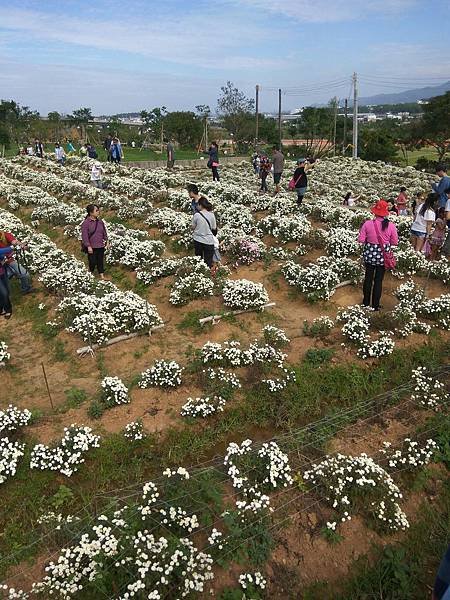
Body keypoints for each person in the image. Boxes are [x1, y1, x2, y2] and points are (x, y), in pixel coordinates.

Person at [358, 199, 399, 311]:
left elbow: (361, 240)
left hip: (370, 255)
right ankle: (375, 305)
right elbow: (395, 242)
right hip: (383, 257)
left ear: (375, 212)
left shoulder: (367, 223)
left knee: (368, 279)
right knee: (378, 280)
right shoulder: (391, 225)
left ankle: (365, 303)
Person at [81, 205, 108, 279]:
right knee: (92, 262)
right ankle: (90, 272)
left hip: (100, 245)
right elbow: (85, 236)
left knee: (100, 261)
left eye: (98, 210)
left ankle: (102, 275)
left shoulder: (100, 222)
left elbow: (104, 232)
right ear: (91, 213)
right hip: (91, 246)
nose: (98, 212)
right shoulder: (86, 223)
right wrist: (88, 246)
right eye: (96, 210)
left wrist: (107, 240)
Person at [191, 197, 217, 268]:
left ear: (200, 205)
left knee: (198, 259)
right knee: (208, 261)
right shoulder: (212, 215)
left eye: (198, 205)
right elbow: (214, 228)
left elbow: (192, 227)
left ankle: (199, 273)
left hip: (198, 240)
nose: (197, 206)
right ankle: (207, 275)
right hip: (208, 241)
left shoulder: (196, 215)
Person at [0, 245, 14, 319]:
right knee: (4, 293)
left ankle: (1, 307)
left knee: (7, 291)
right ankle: (8, 309)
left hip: (2, 272)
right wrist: (12, 247)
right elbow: (1, 251)